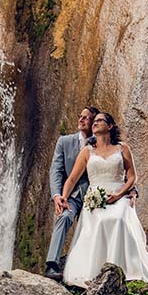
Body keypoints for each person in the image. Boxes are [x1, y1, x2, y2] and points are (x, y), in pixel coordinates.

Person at [58, 112, 148, 287]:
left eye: (99, 121)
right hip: (95, 198)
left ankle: (124, 270)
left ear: (110, 126)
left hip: (119, 195)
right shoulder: (87, 151)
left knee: (118, 220)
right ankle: (95, 272)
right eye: (93, 121)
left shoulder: (122, 148)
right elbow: (72, 179)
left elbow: (132, 176)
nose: (94, 123)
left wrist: (119, 194)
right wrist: (63, 197)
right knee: (99, 221)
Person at [44, 107, 99, 280]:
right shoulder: (64, 142)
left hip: (96, 197)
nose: (81, 120)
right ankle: (52, 264)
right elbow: (56, 171)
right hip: (72, 197)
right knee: (65, 217)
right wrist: (57, 196)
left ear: (94, 123)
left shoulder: (102, 143)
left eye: (86, 118)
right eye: (80, 116)